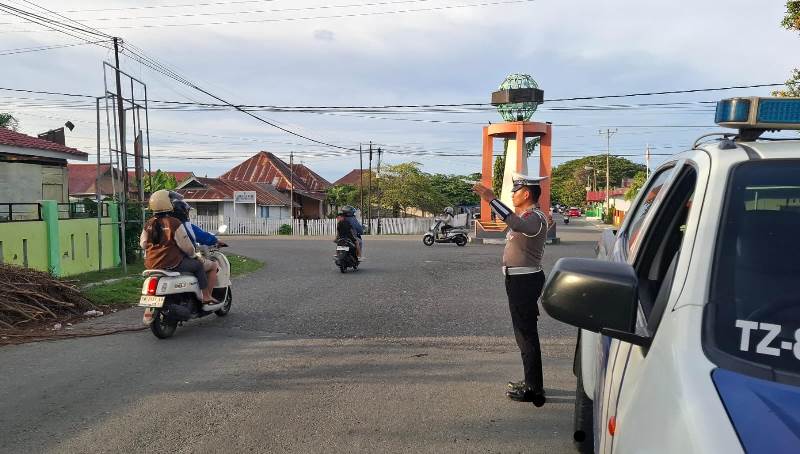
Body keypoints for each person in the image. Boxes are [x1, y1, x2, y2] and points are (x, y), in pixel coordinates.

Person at [473, 172, 549, 407]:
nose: (513, 195)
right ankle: (531, 381)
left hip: (524, 281)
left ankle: (534, 389)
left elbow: (516, 224)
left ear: (526, 194)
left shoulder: (535, 217)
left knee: (526, 335)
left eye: (515, 191)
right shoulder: (526, 216)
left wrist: (491, 199)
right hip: (518, 281)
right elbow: (515, 224)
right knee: (523, 334)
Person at [140, 190, 218, 304]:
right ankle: (206, 296)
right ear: (168, 203)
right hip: (172, 263)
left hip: (151, 263)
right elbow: (187, 247)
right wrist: (194, 256)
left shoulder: (149, 223)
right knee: (198, 266)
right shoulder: (174, 223)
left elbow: (143, 244)